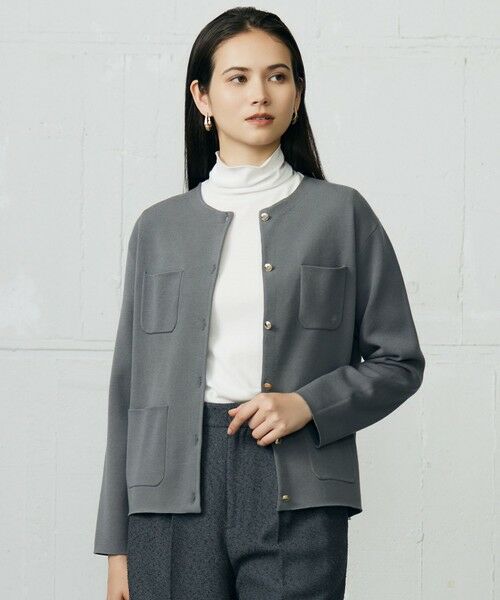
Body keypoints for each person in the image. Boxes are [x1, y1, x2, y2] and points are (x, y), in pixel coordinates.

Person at [93, 7, 426, 600]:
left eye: (277, 76)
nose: (259, 94)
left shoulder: (342, 215)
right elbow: (129, 391)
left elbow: (398, 361)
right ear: (202, 97)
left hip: (296, 486)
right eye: (238, 78)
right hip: (170, 499)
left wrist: (308, 404)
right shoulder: (158, 229)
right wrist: (117, 546)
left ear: (297, 94)